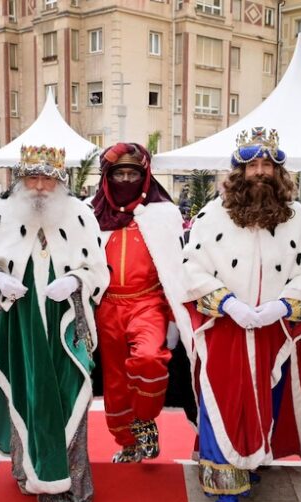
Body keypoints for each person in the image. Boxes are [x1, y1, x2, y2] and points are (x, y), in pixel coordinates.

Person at [182, 127, 301, 502]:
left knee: (264, 404)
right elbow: (191, 267)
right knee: (221, 405)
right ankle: (225, 496)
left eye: (267, 165)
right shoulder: (212, 216)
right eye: (252, 165)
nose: (260, 172)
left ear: (279, 173)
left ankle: (251, 460)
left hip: (272, 332)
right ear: (238, 172)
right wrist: (227, 303)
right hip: (224, 329)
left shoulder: (299, 219)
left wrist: (282, 305)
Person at [0, 144, 109, 502]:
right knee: (26, 395)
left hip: (65, 325)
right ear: (20, 179)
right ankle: (31, 472)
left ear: (61, 180)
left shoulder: (81, 215)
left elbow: (99, 269)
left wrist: (76, 280)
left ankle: (72, 492)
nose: (40, 186)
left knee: (66, 399)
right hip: (18, 324)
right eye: (33, 177)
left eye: (48, 177)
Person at [90, 142, 194, 462]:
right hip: (107, 306)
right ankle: (127, 442)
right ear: (107, 177)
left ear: (145, 175)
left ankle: (145, 420)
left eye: (131, 173)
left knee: (149, 359)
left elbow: (176, 266)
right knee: (115, 381)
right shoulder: (90, 213)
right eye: (118, 173)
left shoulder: (164, 214)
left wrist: (176, 317)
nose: (124, 180)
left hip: (148, 303)